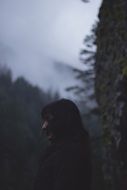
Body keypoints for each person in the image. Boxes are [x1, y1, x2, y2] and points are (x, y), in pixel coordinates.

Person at [34, 99, 92, 190]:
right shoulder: (59, 153)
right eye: (44, 120)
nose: (44, 126)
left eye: (49, 119)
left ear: (64, 120)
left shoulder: (70, 156)